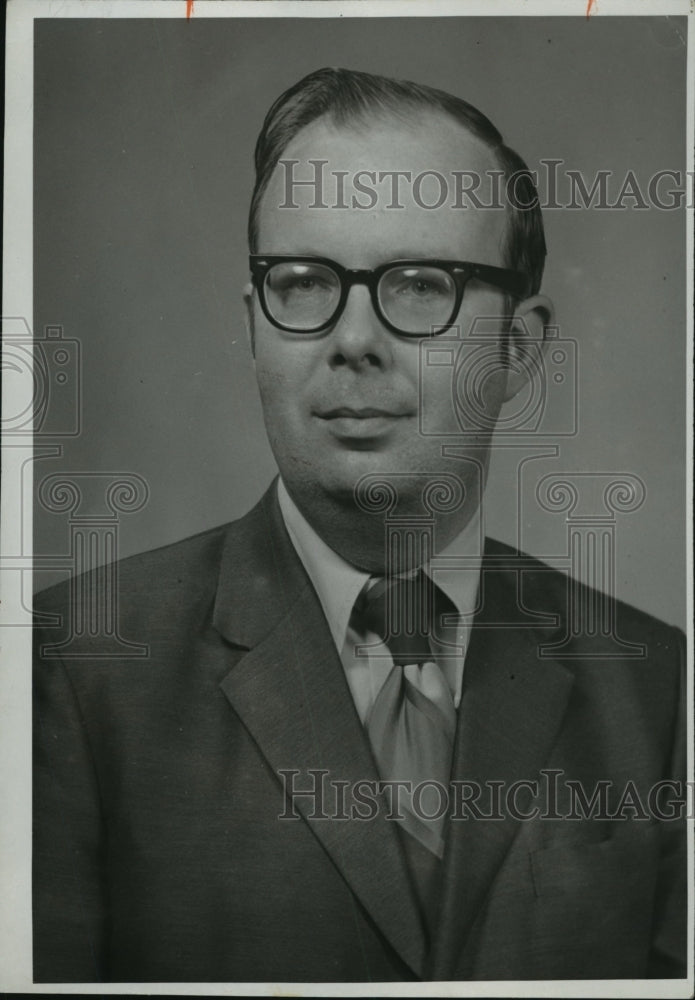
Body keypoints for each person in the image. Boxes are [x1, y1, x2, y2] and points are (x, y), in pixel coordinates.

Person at [33, 67, 687, 983]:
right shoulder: (69, 669)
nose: (351, 338)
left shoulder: (655, 692)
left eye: (420, 285)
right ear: (255, 323)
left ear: (518, 348)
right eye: (302, 283)